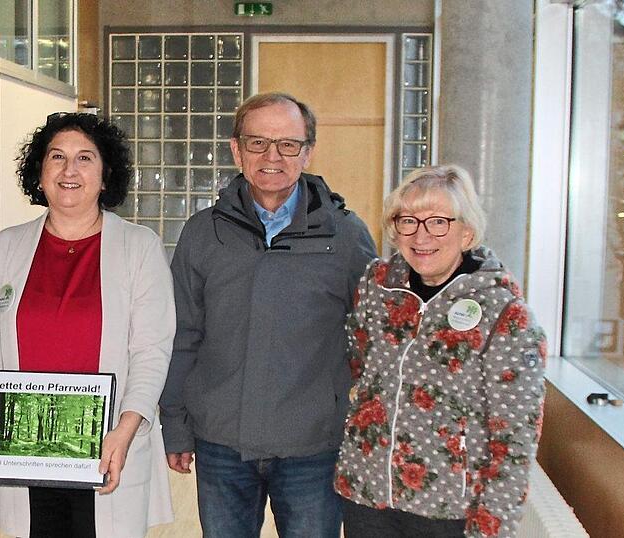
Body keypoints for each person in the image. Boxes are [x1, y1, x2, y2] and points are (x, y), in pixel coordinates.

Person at [159, 92, 377, 537]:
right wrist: (176, 426)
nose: (272, 156)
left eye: (288, 144)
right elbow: (182, 335)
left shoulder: (346, 235)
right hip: (221, 444)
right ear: (236, 149)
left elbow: (371, 339)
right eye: (258, 142)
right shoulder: (204, 233)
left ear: (308, 151)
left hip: (313, 448)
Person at [0, 112, 175, 538]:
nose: (69, 170)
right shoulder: (6, 246)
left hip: (106, 447)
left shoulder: (139, 247)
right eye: (56, 157)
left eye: (85, 158)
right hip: (21, 451)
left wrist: (124, 433)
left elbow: (151, 351)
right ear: (40, 174)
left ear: (106, 177)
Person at [334, 165, 546, 538]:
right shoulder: (376, 288)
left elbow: (515, 435)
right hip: (367, 498)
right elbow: (358, 363)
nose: (421, 235)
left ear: (466, 232)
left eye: (437, 222)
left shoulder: (504, 313)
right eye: (408, 221)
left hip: (449, 512)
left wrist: (491, 524)